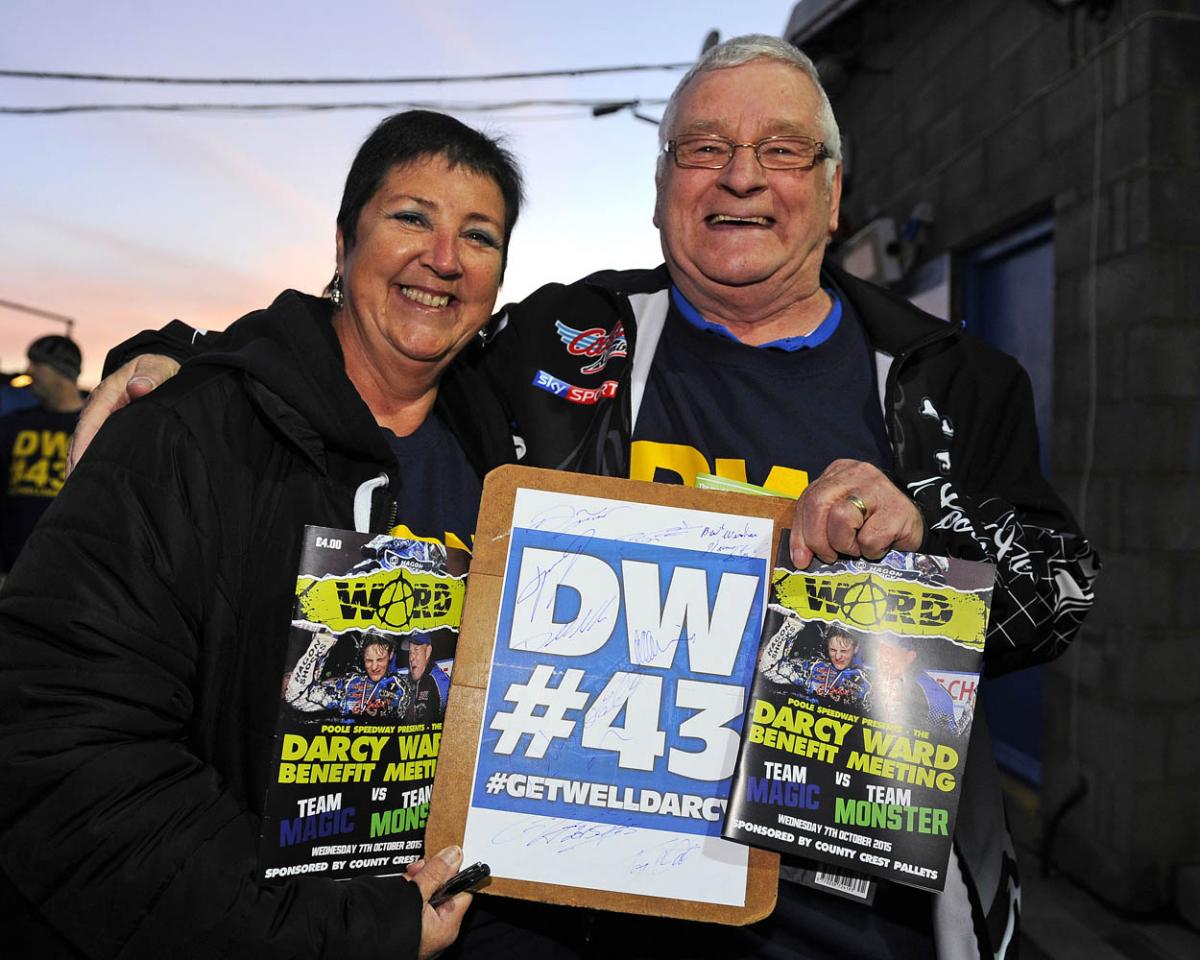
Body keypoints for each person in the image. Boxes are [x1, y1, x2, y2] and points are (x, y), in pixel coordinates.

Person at [74, 35, 1098, 960]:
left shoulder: (947, 377)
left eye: (782, 150)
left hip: (862, 932)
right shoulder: (561, 341)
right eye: (703, 148)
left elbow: (1060, 589)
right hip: (569, 921)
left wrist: (922, 545)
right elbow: (380, 339)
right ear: (660, 192)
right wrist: (189, 356)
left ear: (834, 193)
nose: (741, 175)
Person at [0, 110, 525, 959]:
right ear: (344, 238)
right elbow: (64, 757)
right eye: (411, 217)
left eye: (480, 235)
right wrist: (342, 936)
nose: (445, 258)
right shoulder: (185, 434)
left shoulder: (508, 462)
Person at [0, 335, 85, 572]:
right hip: (12, 570)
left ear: (60, 370)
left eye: (36, 364)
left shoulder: (96, 427)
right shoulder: (13, 425)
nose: (29, 371)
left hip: (69, 572)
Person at [285, 630, 411, 718]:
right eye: (369, 660)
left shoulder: (403, 687)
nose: (374, 667)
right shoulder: (349, 684)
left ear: (391, 654)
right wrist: (324, 640)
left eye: (380, 660)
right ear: (362, 657)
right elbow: (296, 697)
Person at [760, 615, 872, 710]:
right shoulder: (814, 668)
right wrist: (794, 623)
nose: (838, 656)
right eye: (833, 650)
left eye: (844, 651)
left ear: (856, 648)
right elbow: (769, 668)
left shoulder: (870, 682)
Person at [872, 633, 958, 734]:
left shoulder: (933, 695)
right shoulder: (867, 677)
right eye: (880, 651)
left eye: (889, 652)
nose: (883, 659)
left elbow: (948, 741)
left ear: (910, 657)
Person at [401, 636, 450, 723]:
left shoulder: (440, 683)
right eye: (410, 652)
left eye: (416, 650)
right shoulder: (406, 681)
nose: (411, 658)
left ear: (427, 652)